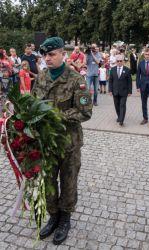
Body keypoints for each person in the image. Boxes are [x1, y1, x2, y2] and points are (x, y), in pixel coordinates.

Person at [32, 37, 92, 245]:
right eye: (44, 55)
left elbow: (86, 112)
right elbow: (33, 104)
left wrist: (56, 117)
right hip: (46, 143)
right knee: (48, 182)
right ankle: (53, 216)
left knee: (68, 182)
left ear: (63, 54)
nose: (47, 58)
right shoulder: (40, 77)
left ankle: (65, 219)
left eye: (51, 54)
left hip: (69, 143)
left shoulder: (77, 80)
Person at [109, 55, 132, 126]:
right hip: (115, 91)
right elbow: (110, 81)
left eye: (120, 61)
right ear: (116, 62)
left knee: (122, 105)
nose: (119, 62)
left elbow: (129, 82)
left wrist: (129, 91)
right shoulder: (112, 69)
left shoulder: (127, 70)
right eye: (117, 61)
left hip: (124, 91)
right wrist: (110, 90)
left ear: (123, 61)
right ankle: (119, 116)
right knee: (116, 105)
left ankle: (121, 120)